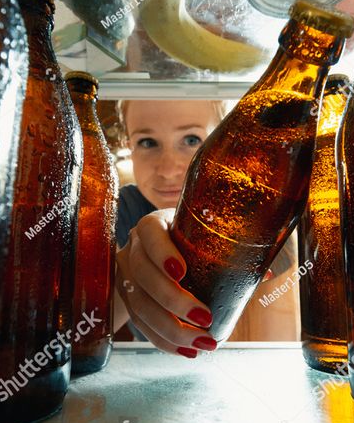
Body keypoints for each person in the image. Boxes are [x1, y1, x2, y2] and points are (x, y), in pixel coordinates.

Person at [114, 99, 295, 358]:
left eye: (191, 140)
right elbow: (79, 339)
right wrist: (125, 278)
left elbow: (272, 353)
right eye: (147, 142)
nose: (167, 169)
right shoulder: (122, 206)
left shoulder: (265, 216)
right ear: (128, 145)